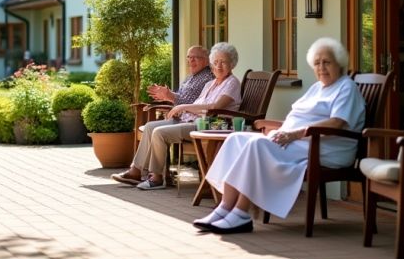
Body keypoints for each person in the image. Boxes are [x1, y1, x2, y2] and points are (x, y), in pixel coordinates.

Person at [194, 37, 366, 235]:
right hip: (297, 141)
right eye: (317, 63)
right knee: (235, 139)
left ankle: (241, 214)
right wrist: (280, 128)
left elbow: (337, 122)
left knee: (256, 146)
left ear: (340, 63)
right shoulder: (317, 88)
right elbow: (298, 120)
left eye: (327, 62)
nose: (321, 67)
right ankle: (224, 208)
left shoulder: (346, 87)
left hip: (325, 147)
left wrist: (294, 133)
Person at [112, 43, 241, 190]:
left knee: (159, 133)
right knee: (150, 127)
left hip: (207, 126)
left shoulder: (232, 83)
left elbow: (215, 107)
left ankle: (156, 177)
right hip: (191, 120)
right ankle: (136, 170)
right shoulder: (211, 84)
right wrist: (179, 110)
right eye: (216, 62)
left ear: (232, 64)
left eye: (223, 62)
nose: (218, 66)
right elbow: (198, 105)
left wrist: (182, 107)